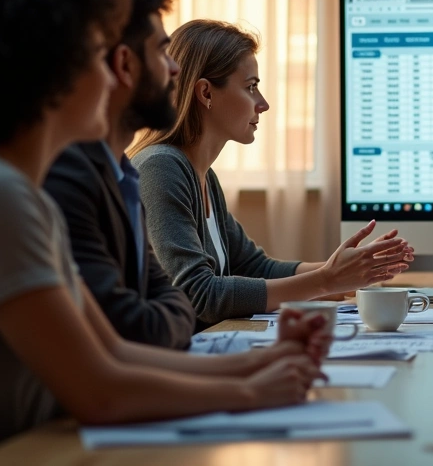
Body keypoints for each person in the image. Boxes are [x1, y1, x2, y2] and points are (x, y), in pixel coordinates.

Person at [0, 0, 327, 465]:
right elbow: (100, 392)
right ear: (50, 71)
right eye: (96, 56)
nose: (111, 75)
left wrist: (264, 362)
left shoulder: (19, 193)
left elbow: (114, 353)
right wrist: (250, 392)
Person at [130, 19, 414, 329]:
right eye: (251, 87)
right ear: (206, 92)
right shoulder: (161, 168)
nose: (263, 104)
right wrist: (327, 279)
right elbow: (201, 295)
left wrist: (351, 269)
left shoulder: (203, 177)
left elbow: (256, 267)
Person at [43, 0, 196, 349]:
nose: (175, 69)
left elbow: (169, 297)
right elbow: (129, 328)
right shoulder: (64, 176)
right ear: (125, 64)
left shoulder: (123, 173)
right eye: (163, 51)